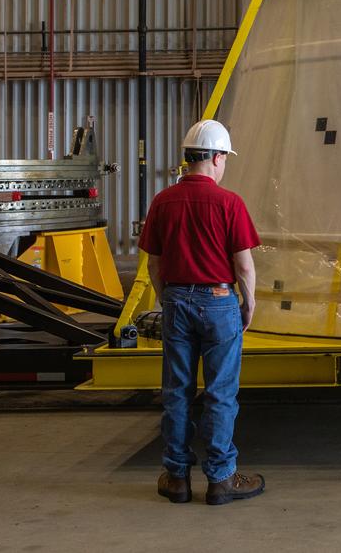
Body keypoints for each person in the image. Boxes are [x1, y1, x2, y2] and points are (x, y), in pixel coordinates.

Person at [139, 119, 265, 505]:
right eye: (225, 158)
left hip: (176, 301)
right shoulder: (229, 203)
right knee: (220, 393)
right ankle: (221, 479)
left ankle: (177, 478)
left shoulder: (163, 201)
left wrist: (167, 298)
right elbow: (243, 265)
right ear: (217, 157)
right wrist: (248, 303)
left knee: (177, 391)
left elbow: (153, 264)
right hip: (219, 301)